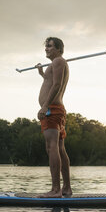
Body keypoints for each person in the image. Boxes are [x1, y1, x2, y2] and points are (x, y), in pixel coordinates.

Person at [36, 37, 72, 198]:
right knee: (59, 149)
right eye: (46, 46)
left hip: (52, 110)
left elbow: (57, 85)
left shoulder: (58, 61)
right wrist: (42, 73)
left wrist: (45, 106)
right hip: (57, 110)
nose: (46, 49)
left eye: (49, 46)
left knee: (52, 148)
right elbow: (51, 81)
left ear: (58, 48)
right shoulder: (58, 63)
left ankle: (56, 190)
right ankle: (66, 189)